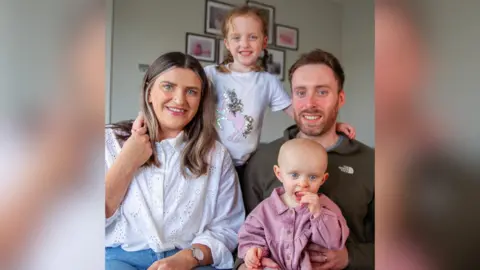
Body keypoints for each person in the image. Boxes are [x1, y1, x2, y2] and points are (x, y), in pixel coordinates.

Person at [105, 52, 245, 270]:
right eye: (168, 86)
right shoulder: (108, 141)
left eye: (191, 91)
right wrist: (127, 160)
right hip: (119, 259)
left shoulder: (216, 155)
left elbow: (227, 228)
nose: (180, 100)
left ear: (200, 100)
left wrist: (188, 258)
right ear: (149, 92)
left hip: (189, 261)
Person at [236, 49, 374, 270]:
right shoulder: (262, 160)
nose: (310, 103)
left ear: (340, 99)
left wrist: (350, 257)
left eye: (322, 92)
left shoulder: (372, 163)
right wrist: (247, 265)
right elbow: (243, 238)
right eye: (300, 92)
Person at [203, 5, 356, 178]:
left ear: (264, 42)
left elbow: (297, 112)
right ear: (227, 43)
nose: (244, 44)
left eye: (252, 37)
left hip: (243, 164)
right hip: (208, 158)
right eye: (236, 37)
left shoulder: (268, 81)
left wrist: (334, 126)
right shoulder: (211, 74)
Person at [237, 138, 349, 270]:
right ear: (279, 174)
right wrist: (253, 252)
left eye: (313, 177)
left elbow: (334, 242)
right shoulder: (264, 210)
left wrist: (318, 214)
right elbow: (250, 235)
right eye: (295, 175)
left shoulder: (326, 208)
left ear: (323, 179)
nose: (303, 184)